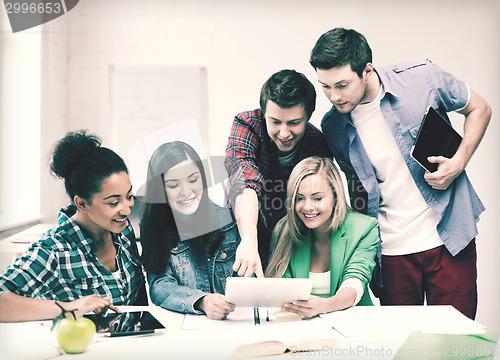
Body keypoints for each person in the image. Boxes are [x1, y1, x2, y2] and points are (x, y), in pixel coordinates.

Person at [310, 28, 492, 319]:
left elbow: (480, 108)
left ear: (367, 70)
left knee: (458, 344)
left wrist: (458, 162)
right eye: (325, 86)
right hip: (391, 253)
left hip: (448, 238)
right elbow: (356, 194)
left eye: (342, 85)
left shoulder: (422, 78)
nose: (333, 96)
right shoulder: (333, 126)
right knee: (404, 346)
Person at [0, 130, 146, 322]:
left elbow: (139, 300)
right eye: (113, 202)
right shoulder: (53, 248)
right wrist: (69, 308)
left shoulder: (122, 230)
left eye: (129, 196)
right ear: (82, 204)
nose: (126, 209)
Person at [225, 69, 332, 278]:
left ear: (308, 117)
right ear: (264, 112)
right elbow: (245, 184)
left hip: (292, 240)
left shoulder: (317, 142)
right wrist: (248, 239)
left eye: (294, 123)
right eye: (275, 122)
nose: (284, 133)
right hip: (242, 234)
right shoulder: (247, 125)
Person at [266, 156, 378, 318]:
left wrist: (324, 306)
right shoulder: (284, 230)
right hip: (302, 329)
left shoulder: (364, 228)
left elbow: (355, 282)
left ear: (335, 195)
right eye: (299, 198)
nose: (308, 207)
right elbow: (281, 288)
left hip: (353, 325)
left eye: (317, 198)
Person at [141, 141, 239, 320]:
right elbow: (159, 285)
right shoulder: (152, 226)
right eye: (173, 185)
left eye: (193, 180)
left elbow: (249, 281)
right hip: (185, 332)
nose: (186, 192)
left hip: (234, 324)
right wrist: (202, 301)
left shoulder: (228, 220)